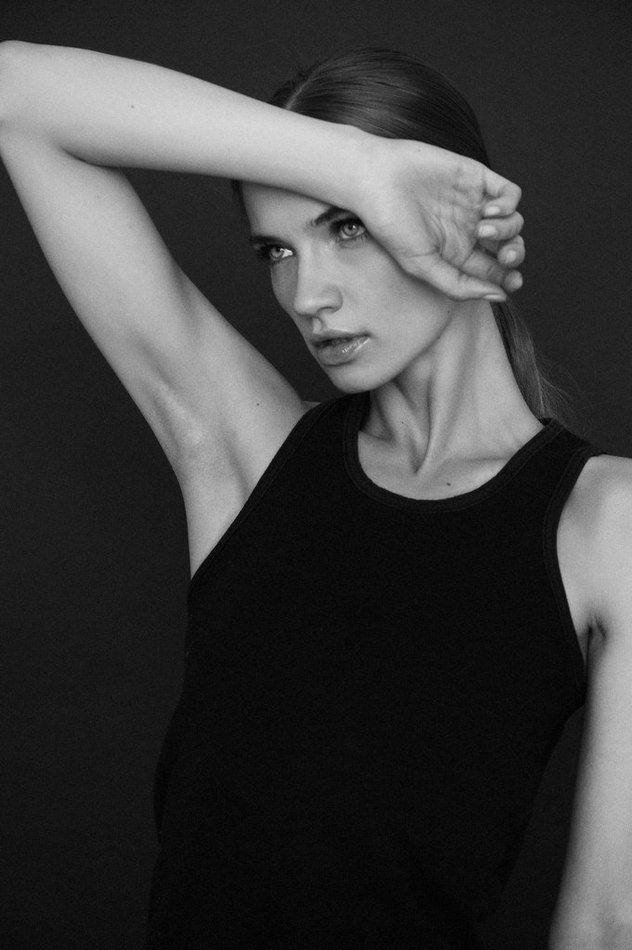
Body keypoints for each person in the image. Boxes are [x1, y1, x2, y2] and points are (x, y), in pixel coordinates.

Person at [0, 39, 630, 950]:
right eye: (276, 250)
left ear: (460, 209)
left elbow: (607, 925)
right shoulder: (249, 456)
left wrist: (384, 182)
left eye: (345, 229)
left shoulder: (606, 524)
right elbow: (16, 91)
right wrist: (356, 170)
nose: (306, 295)